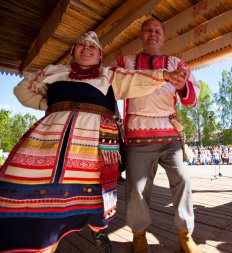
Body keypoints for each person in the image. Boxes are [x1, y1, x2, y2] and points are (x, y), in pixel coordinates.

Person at [0, 31, 188, 253]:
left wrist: (164, 76)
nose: (87, 48)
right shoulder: (54, 72)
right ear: (72, 52)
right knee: (38, 186)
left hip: (92, 144)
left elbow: (136, 78)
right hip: (50, 140)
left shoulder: (108, 75)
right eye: (81, 45)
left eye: (93, 46)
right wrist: (49, 106)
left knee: (92, 193)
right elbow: (22, 90)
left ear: (100, 55)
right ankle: (42, 241)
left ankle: (98, 230)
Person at [114, 18, 201, 253]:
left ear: (163, 37)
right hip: (137, 135)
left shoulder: (177, 63)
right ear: (141, 35)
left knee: (182, 180)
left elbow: (192, 100)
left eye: (157, 31)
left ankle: (185, 235)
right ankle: (139, 235)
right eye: (148, 30)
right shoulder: (127, 62)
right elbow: (113, 84)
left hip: (170, 133)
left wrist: (182, 86)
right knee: (137, 189)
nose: (152, 34)